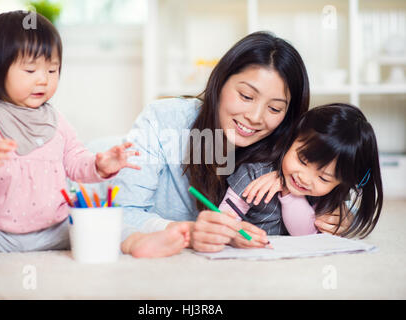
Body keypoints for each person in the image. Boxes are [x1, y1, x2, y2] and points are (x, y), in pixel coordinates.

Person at [0, 11, 140, 268]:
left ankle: (135, 241)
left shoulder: (56, 121)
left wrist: (99, 165)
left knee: (96, 219)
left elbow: (75, 161)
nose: (43, 79)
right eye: (30, 69)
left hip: (52, 228)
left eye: (52, 70)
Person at [115, 31, 324, 256]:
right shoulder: (163, 120)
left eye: (274, 108)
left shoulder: (290, 149)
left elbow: (342, 181)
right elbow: (122, 213)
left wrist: (335, 212)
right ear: (220, 81)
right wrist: (188, 231)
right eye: (246, 96)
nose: (255, 116)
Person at [219, 103, 383, 248]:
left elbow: (305, 234)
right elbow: (224, 217)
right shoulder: (254, 172)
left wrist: (289, 194)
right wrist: (233, 233)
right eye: (302, 161)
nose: (304, 178)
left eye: (323, 178)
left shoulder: (326, 194)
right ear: (291, 139)